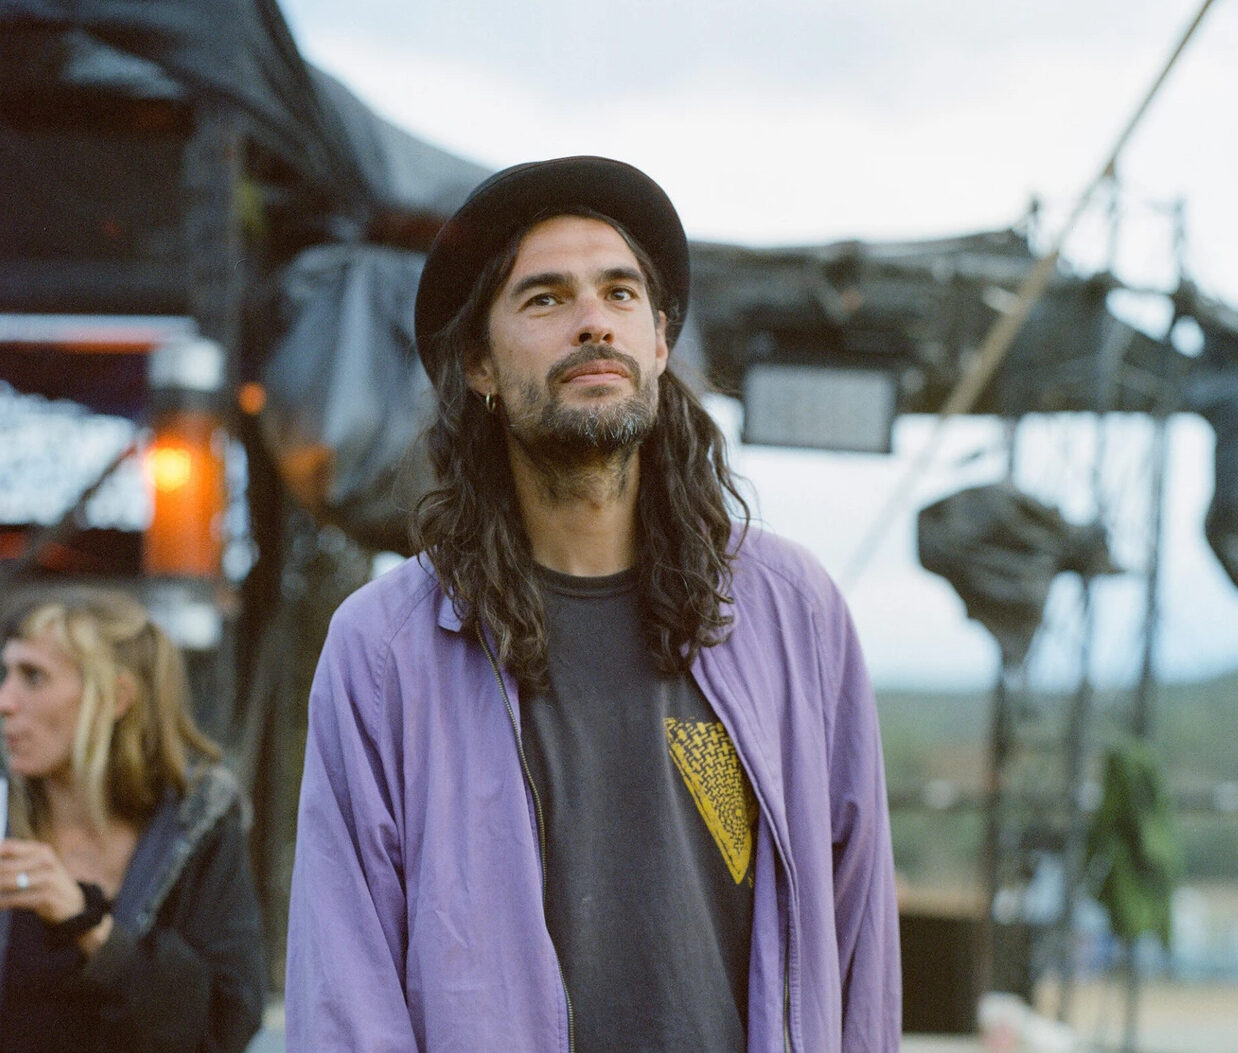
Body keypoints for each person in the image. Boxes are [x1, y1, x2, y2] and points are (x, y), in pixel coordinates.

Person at [286, 155, 901, 1051]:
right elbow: (345, 988)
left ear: (659, 342)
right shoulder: (386, 649)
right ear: (479, 366)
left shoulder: (792, 610)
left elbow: (859, 939)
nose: (592, 323)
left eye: (619, 294)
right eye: (544, 299)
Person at [0, 590, 265, 1052]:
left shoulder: (197, 824)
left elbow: (227, 1024)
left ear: (116, 697)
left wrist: (88, 925)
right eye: (6, 674)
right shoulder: (5, 812)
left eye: (34, 677)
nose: (5, 700)